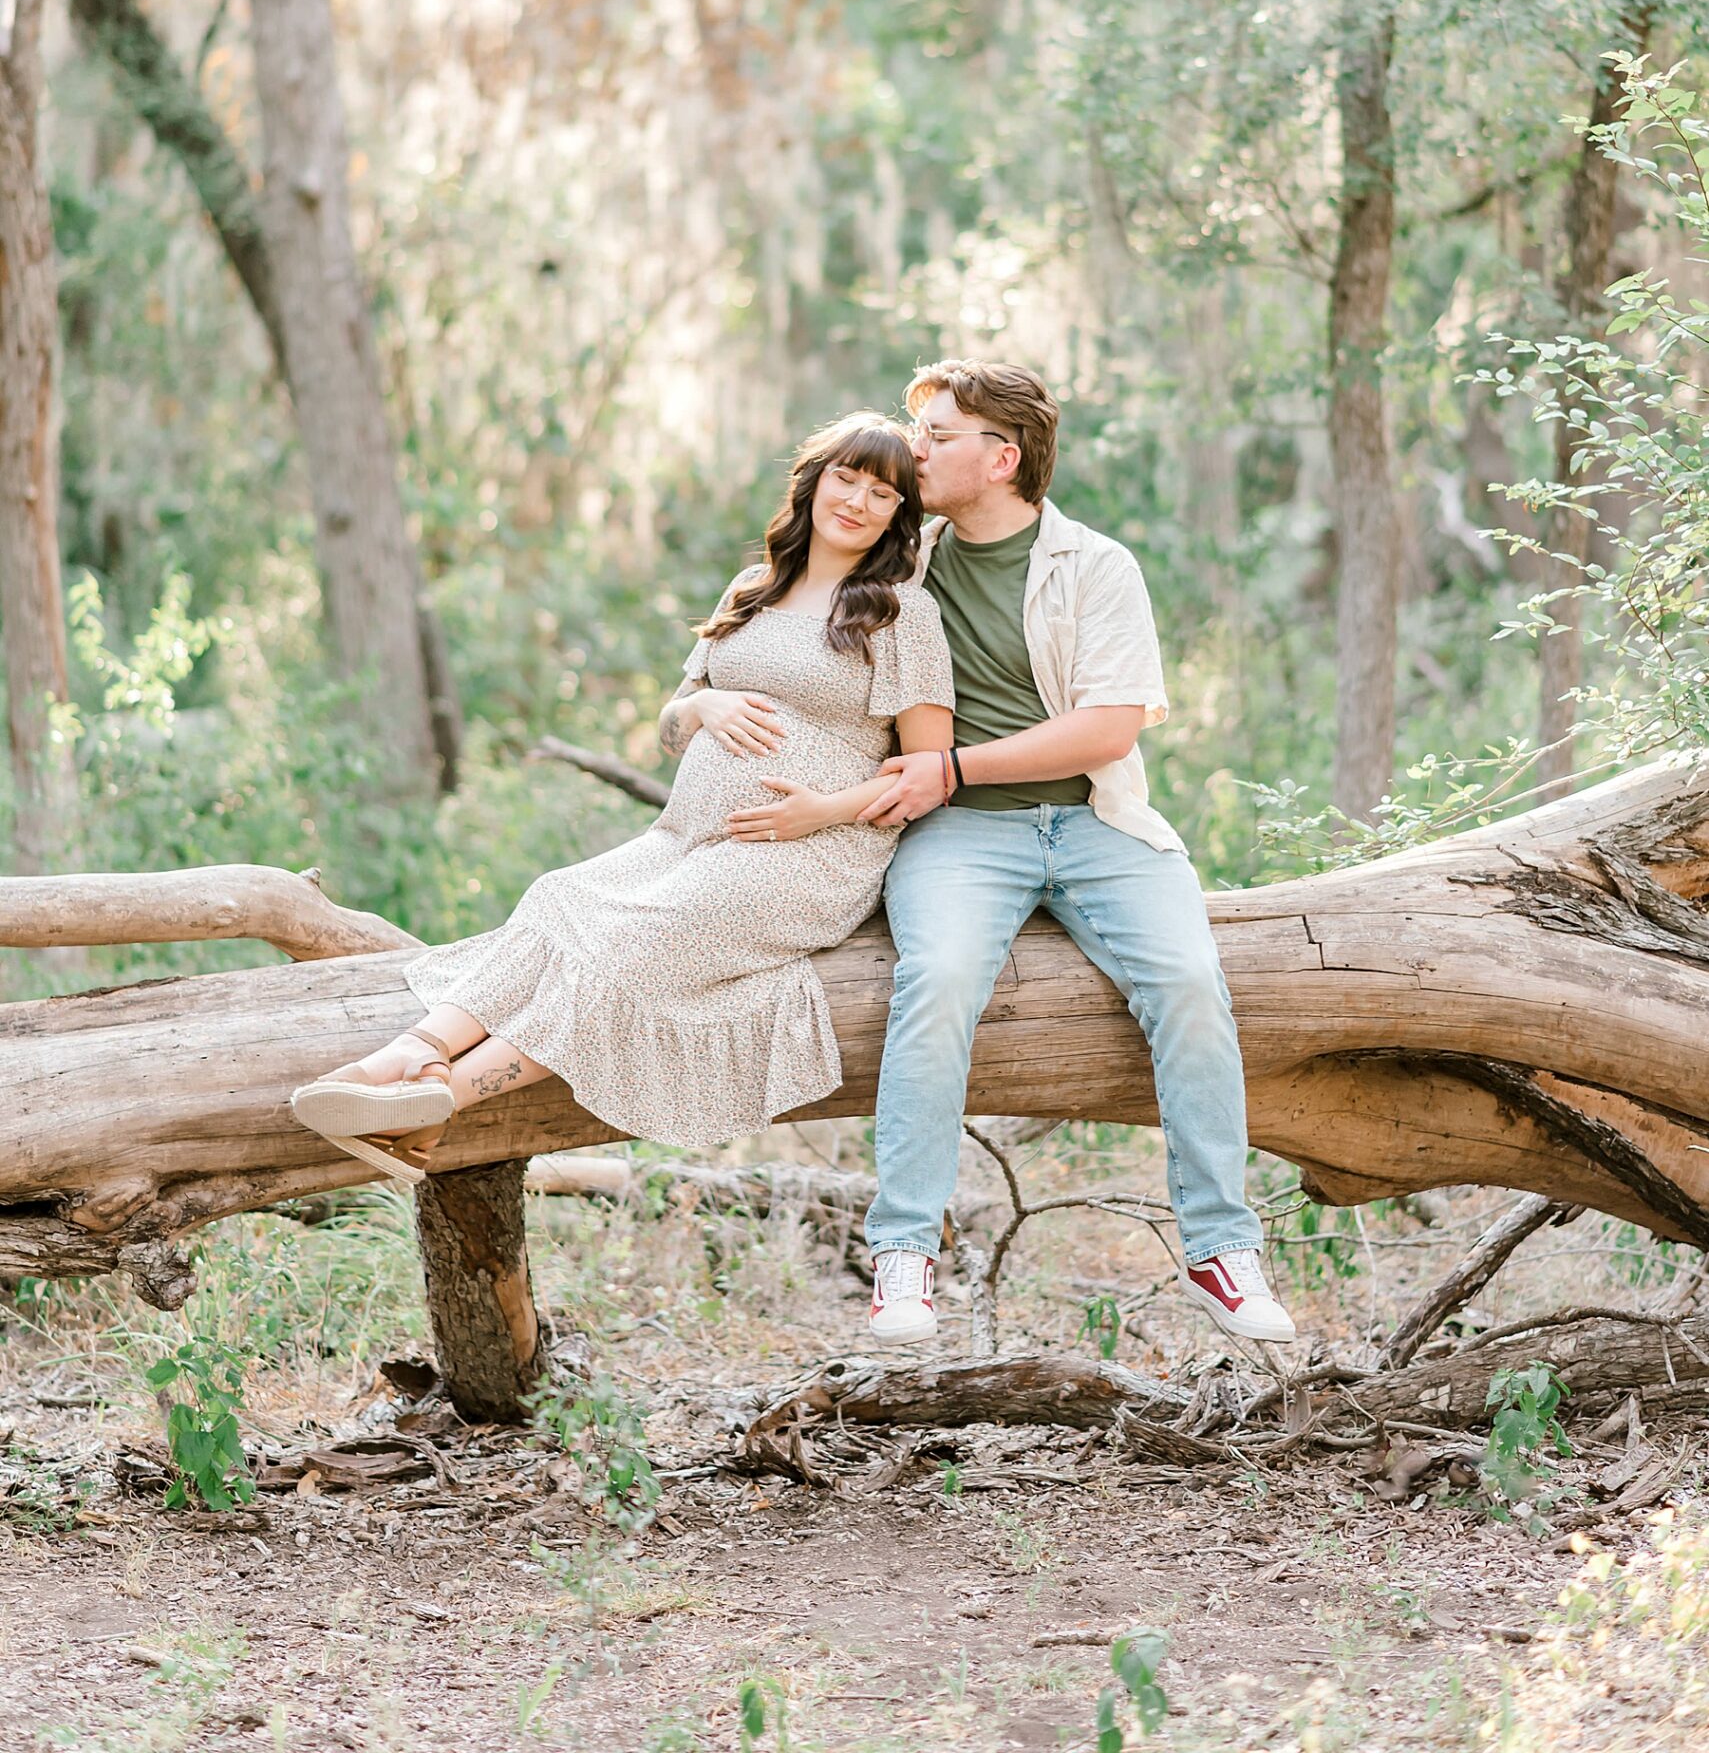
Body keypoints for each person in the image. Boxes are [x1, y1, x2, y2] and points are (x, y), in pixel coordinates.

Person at [289, 414, 953, 1177]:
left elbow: (929, 769)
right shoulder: (753, 589)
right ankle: (403, 1061)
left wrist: (818, 811)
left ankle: (441, 1099)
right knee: (558, 897)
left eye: (883, 493)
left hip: (810, 851)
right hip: (685, 836)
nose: (858, 502)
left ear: (899, 517)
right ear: (813, 481)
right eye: (846, 477)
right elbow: (670, 726)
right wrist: (700, 708)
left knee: (636, 942)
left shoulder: (902, 614)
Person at [857, 360, 1295, 1348]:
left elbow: (1106, 730)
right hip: (960, 837)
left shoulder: (1095, 566)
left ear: (1000, 456)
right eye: (912, 428)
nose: (912, 447)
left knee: (1187, 978)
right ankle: (902, 1257)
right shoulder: (899, 564)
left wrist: (953, 767)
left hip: (1097, 824)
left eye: (937, 432)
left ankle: (1220, 1252)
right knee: (936, 979)